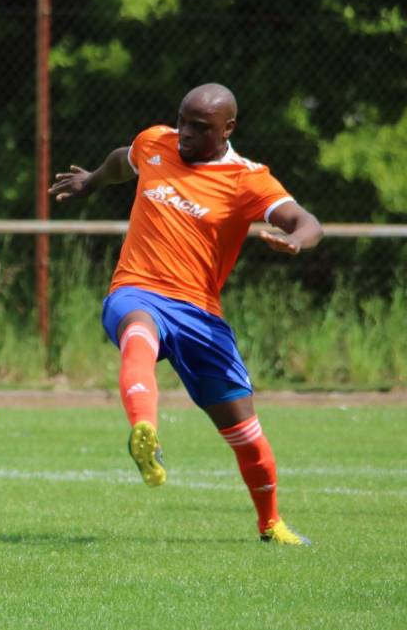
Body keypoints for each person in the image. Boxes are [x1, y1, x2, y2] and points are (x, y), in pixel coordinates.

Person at [48, 83, 323, 545]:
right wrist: (90, 180)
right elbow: (123, 159)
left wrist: (296, 240)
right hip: (137, 288)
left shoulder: (247, 178)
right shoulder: (155, 141)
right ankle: (145, 428)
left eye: (200, 127)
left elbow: (306, 220)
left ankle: (271, 524)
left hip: (199, 313)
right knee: (138, 330)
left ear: (228, 128)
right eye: (183, 121)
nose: (186, 134)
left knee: (245, 431)